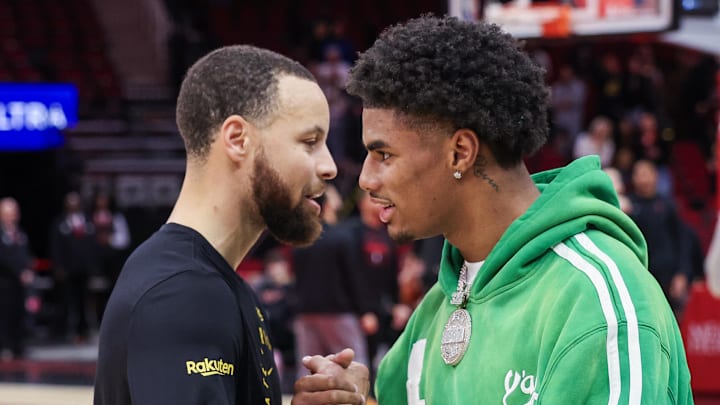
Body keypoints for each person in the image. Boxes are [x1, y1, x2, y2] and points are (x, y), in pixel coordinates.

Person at [346, 15, 693, 403]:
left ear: (460, 152)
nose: (365, 179)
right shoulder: (437, 305)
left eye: (382, 154)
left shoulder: (597, 299)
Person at [94, 45, 368, 405]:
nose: (330, 166)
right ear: (238, 139)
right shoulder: (183, 293)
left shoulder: (204, 281)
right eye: (310, 142)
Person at [0, 197, 34, 359]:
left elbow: (24, 255)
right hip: (4, 282)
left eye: (14, 212)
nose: (12, 216)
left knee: (20, 314)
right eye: (8, 213)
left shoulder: (20, 233)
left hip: (20, 284)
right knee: (5, 315)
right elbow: (4, 258)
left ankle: (18, 345)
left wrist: (27, 269)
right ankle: (5, 345)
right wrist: (17, 271)